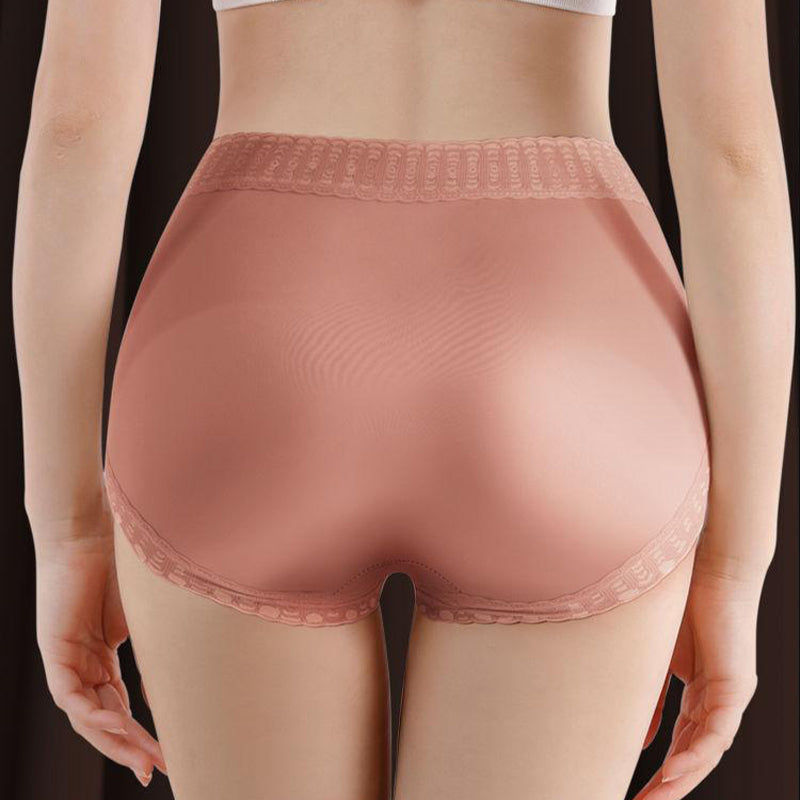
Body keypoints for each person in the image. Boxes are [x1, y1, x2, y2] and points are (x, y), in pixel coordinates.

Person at [12, 1, 794, 798]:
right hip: (569, 337)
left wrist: (69, 533)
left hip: (247, 325)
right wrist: (734, 571)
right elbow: (731, 159)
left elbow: (78, 129)